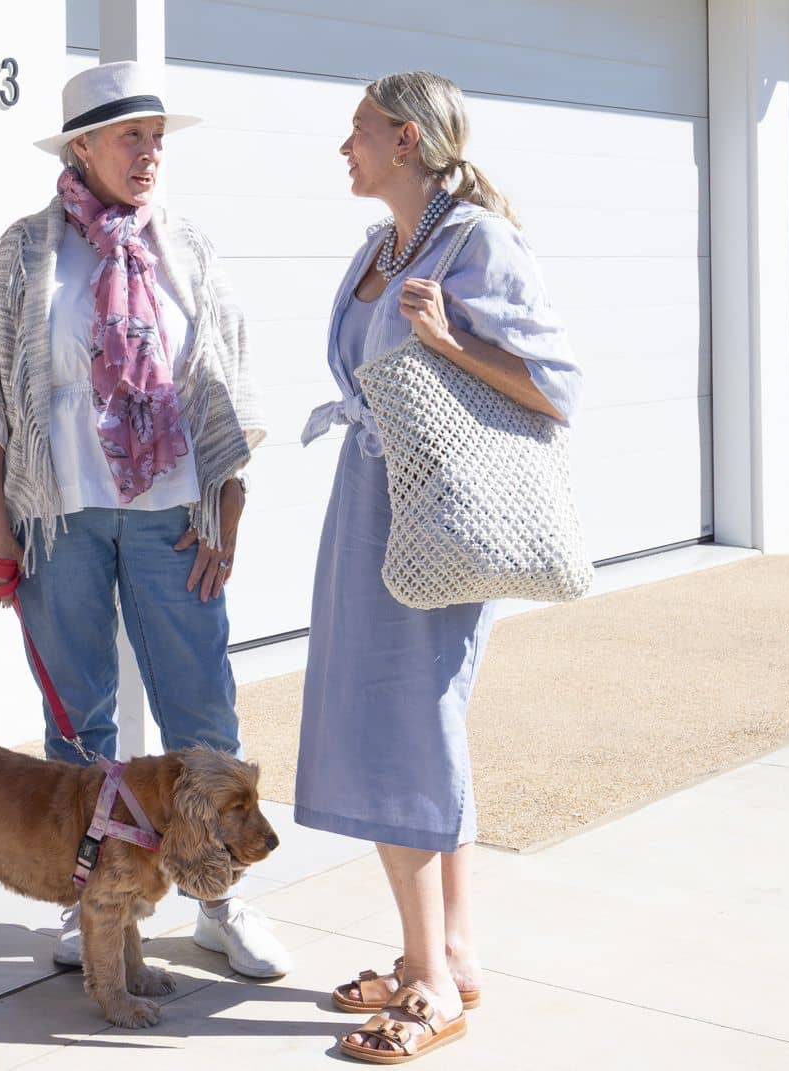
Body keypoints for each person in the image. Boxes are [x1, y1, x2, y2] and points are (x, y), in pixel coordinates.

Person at [0, 60, 295, 982]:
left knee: (203, 715)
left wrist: (229, 515)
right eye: (131, 136)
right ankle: (89, 895)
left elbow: (228, 387)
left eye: (157, 137)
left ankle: (220, 897)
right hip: (59, 517)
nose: (149, 153)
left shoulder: (188, 247)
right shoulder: (28, 249)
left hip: (174, 514)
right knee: (79, 724)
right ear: (82, 147)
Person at [296, 71, 579, 1066]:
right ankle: (448, 952)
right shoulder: (384, 244)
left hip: (437, 516)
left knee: (406, 720)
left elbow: (554, 389)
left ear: (406, 138)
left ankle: (426, 981)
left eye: (359, 131)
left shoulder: (479, 243)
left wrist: (449, 339)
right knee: (400, 714)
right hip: (367, 499)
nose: (346, 146)